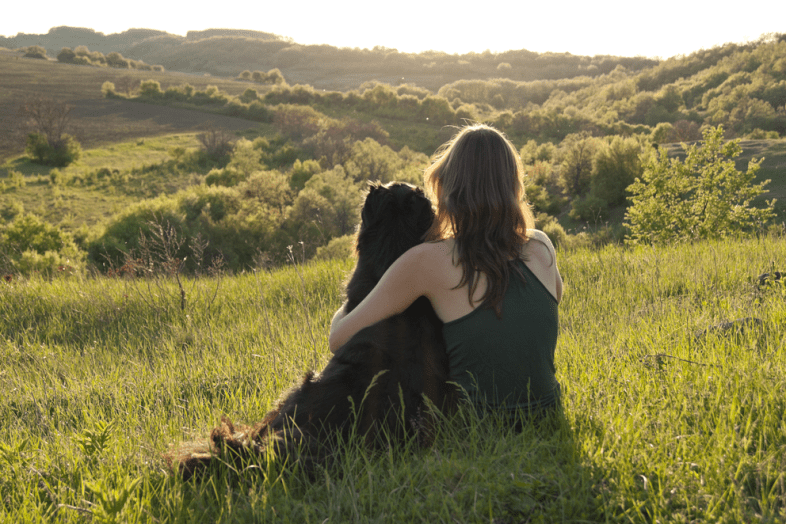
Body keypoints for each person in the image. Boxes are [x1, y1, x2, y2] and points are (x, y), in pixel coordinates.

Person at [329, 123, 563, 425]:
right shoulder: (542, 246)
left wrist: (348, 306)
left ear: (448, 187)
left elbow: (339, 339)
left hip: (477, 427)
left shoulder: (427, 261)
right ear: (513, 187)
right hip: (548, 414)